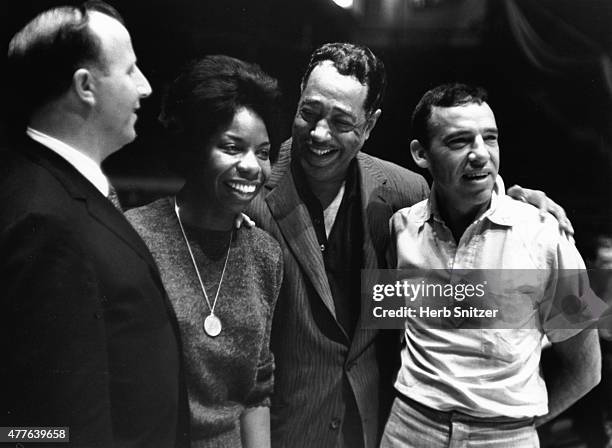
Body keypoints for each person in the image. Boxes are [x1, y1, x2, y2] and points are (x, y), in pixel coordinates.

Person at [246, 42, 572, 448]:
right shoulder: (250, 193)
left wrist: (517, 429)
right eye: (308, 113)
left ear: (369, 126)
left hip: (373, 428)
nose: (319, 133)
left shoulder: (407, 194)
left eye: (342, 121)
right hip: (299, 431)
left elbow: (589, 365)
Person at [0, 2, 189, 447]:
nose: (144, 88)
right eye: (130, 71)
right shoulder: (44, 220)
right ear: (85, 86)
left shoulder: (46, 187)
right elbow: (51, 429)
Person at [381, 83, 601, 447]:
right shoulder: (400, 227)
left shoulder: (546, 235)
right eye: (459, 141)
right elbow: (389, 330)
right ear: (421, 154)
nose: (480, 154)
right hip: (408, 429)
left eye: (490, 138)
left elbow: (587, 369)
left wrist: (517, 429)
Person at [126, 55, 283, 448]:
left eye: (263, 153)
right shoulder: (135, 236)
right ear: (195, 148)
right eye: (233, 147)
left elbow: (256, 391)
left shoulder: (265, 254)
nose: (252, 167)